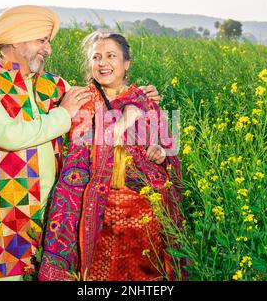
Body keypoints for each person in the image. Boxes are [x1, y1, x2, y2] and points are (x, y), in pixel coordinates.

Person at [0, 6, 160, 281]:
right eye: (42, 40)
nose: (48, 49)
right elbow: (9, 135)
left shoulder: (53, 85)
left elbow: (102, 107)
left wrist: (139, 98)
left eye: (48, 41)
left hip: (49, 210)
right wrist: (63, 114)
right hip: (1, 212)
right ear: (17, 39)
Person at [38, 31, 183, 281]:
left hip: (146, 214)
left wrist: (159, 153)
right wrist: (124, 121)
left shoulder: (144, 99)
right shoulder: (83, 100)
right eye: (96, 57)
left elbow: (167, 149)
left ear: (126, 63)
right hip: (100, 212)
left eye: (110, 56)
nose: (102, 63)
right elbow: (82, 148)